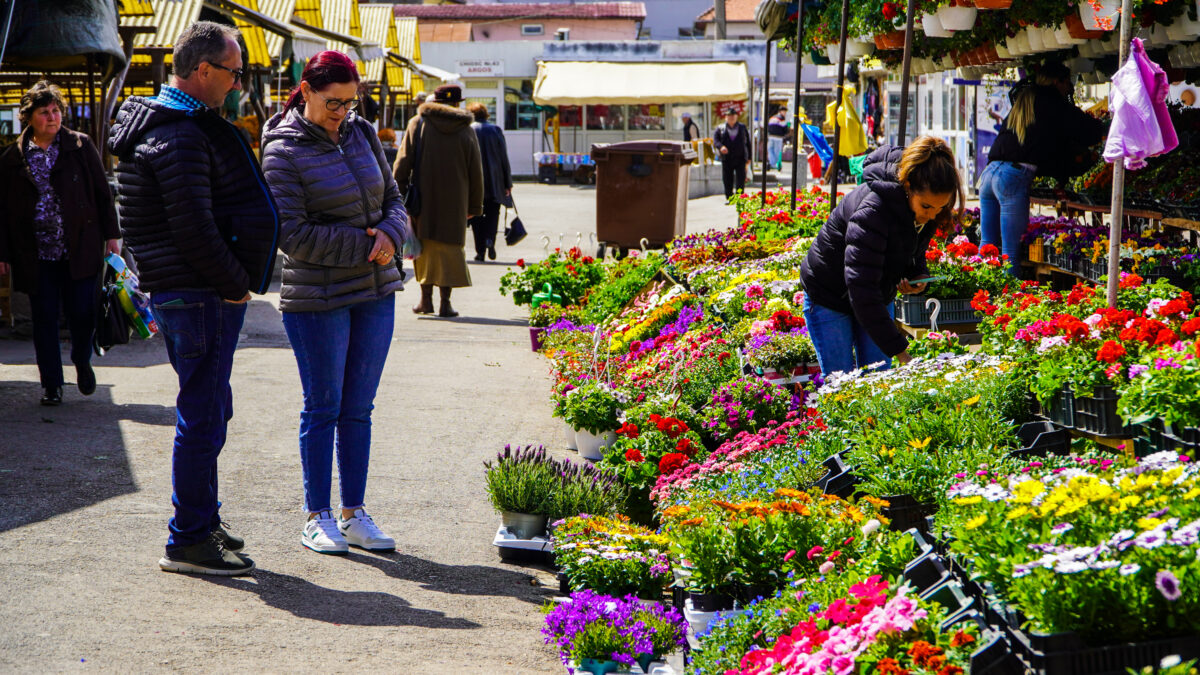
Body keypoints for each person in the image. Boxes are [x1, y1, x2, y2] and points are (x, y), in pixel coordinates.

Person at [108, 21, 280, 576]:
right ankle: (187, 539)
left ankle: (201, 518)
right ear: (202, 70)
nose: (236, 83)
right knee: (203, 414)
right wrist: (236, 285)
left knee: (210, 408)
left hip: (190, 289)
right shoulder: (179, 134)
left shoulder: (167, 124)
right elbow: (193, 228)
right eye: (232, 72)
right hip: (199, 292)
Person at [261, 50, 411, 556]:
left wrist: (391, 231)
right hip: (317, 297)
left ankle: (354, 513)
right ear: (305, 91)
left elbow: (394, 197)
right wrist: (370, 246)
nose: (341, 113)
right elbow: (292, 234)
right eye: (332, 103)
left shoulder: (363, 133)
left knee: (359, 409)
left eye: (349, 103)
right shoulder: (281, 150)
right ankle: (316, 515)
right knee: (322, 407)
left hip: (375, 291)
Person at [800, 136, 963, 377]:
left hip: (872, 293)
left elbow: (912, 247)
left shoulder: (927, 207)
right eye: (927, 207)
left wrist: (917, 274)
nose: (932, 215)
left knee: (879, 379)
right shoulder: (873, 210)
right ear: (907, 187)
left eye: (940, 208)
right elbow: (861, 287)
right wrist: (901, 352)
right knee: (841, 383)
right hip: (829, 294)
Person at [0, 81, 120, 406]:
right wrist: (3, 252)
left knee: (83, 312)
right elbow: (3, 211)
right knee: (44, 318)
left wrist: (113, 236)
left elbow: (102, 194)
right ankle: (52, 384)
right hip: (35, 253)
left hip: (78, 248)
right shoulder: (12, 158)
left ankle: (82, 360)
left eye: (56, 110)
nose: (52, 117)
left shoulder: (80, 147)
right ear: (29, 117)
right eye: (44, 112)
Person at [980, 62, 1105, 275]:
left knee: (987, 246)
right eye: (1068, 83)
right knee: (1011, 252)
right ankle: (1009, 299)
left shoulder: (1025, 100)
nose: (1070, 88)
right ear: (1058, 82)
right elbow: (1083, 129)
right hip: (1012, 177)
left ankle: (982, 293)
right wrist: (1105, 129)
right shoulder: (1052, 103)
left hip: (989, 174)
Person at [393, 84, 483, 318]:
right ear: (457, 103)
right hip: (456, 204)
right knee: (450, 250)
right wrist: (474, 206)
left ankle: (425, 300)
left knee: (422, 249)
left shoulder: (418, 123)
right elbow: (476, 172)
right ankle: (445, 303)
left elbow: (401, 165)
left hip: (423, 202)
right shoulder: (466, 129)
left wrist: (396, 196)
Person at [467, 102, 513, 262]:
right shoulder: (496, 130)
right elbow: (503, 158)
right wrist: (508, 183)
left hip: (473, 182)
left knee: (475, 216)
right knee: (493, 213)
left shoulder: (468, 129)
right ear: (485, 114)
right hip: (496, 180)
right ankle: (490, 240)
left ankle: (480, 251)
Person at [712, 108, 751, 199]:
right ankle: (729, 197)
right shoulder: (721, 128)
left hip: (740, 157)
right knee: (727, 178)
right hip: (727, 158)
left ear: (736, 117)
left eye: (733, 116)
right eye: (729, 116)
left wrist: (749, 157)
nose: (731, 118)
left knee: (740, 179)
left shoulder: (742, 127)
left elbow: (748, 143)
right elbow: (716, 140)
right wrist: (721, 147)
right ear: (726, 117)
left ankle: (739, 198)